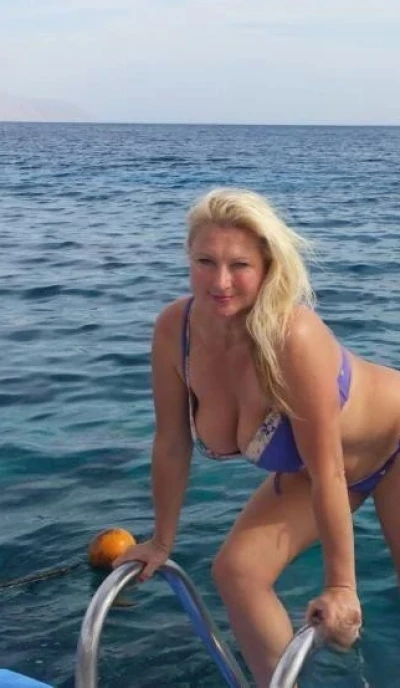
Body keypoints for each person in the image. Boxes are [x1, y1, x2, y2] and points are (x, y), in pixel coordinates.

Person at [114, 188, 400, 687]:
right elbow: (171, 442)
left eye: (239, 265)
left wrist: (341, 585)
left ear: (268, 267)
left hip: (390, 443)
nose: (220, 281)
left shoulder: (293, 337)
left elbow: (328, 470)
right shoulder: (174, 331)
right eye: (205, 261)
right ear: (188, 258)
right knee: (237, 572)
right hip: (328, 468)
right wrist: (161, 541)